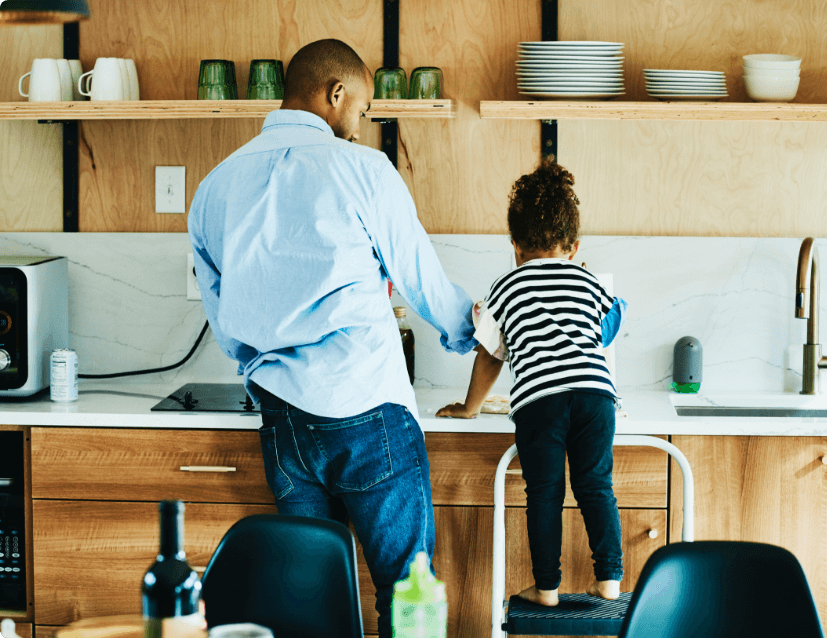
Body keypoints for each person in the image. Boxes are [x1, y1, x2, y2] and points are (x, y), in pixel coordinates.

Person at [188, 39, 477, 637]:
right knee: (407, 599)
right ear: (336, 94)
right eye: (364, 109)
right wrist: (476, 332)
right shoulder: (365, 170)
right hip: (368, 410)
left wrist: (262, 366)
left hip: (283, 423)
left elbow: (223, 316)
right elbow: (420, 277)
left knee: (308, 605)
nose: (361, 123)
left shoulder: (216, 186)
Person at [437, 160, 628, 605]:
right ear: (575, 246)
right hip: (596, 397)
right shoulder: (587, 279)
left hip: (540, 400)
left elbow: (489, 356)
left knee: (545, 493)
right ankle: (610, 581)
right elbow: (609, 324)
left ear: (515, 246)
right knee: (596, 486)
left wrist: (470, 407)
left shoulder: (507, 285)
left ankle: (546, 590)